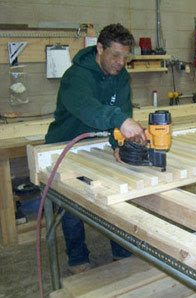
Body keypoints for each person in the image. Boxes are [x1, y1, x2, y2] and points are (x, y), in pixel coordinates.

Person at [45, 23, 145, 274]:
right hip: (66, 145)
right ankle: (78, 258)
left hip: (96, 144)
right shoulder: (75, 76)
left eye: (125, 56)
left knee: (116, 192)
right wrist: (120, 121)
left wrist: (119, 144)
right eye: (115, 55)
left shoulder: (121, 77)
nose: (121, 62)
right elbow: (87, 107)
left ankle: (121, 252)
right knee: (72, 203)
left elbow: (123, 111)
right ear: (99, 48)